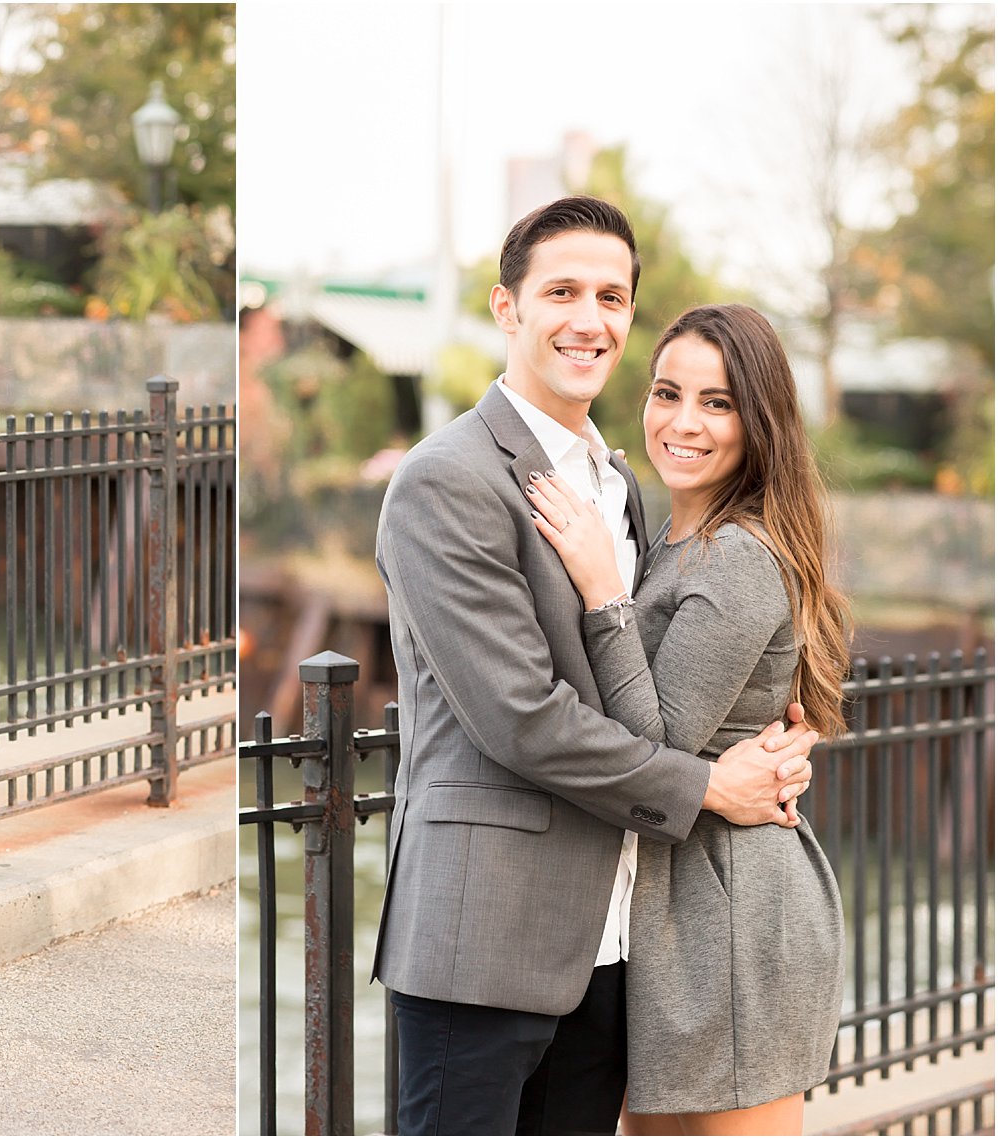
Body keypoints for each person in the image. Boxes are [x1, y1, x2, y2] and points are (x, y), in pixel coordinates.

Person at [371, 196, 819, 1135]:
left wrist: (750, 757)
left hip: (609, 950)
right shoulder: (448, 476)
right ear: (507, 308)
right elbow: (523, 717)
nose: (590, 318)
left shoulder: (623, 488)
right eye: (562, 290)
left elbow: (666, 681)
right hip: (483, 939)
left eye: (611, 296)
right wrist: (708, 787)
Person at [525, 303, 847, 1135]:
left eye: (718, 402)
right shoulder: (671, 538)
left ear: (759, 420)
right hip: (673, 913)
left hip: (734, 916)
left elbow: (656, 741)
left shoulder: (739, 553)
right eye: (668, 392)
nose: (684, 421)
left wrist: (603, 590)